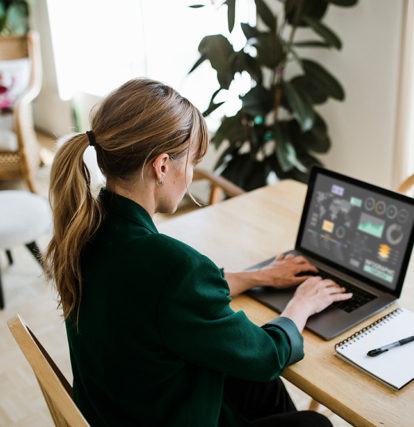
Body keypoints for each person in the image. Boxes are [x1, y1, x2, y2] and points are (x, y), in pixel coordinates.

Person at [45, 78, 352, 427]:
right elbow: (267, 354)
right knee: (314, 424)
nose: (190, 175)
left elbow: (162, 297)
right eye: (190, 162)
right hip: (160, 416)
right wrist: (302, 305)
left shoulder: (87, 231)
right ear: (162, 166)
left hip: (123, 407)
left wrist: (257, 277)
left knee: (257, 384)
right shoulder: (173, 266)